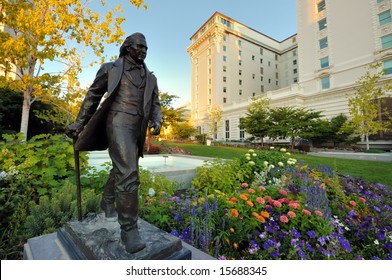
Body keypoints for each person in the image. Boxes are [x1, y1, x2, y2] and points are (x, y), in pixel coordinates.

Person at [65, 33, 162, 254]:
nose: (144, 51)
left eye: (146, 48)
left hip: (137, 126)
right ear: (127, 48)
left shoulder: (151, 78)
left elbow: (155, 102)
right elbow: (93, 96)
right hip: (118, 121)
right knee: (129, 172)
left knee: (122, 168)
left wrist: (156, 119)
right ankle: (129, 230)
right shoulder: (110, 68)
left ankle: (107, 200)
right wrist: (79, 123)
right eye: (140, 47)